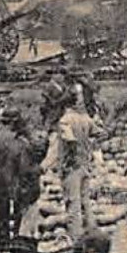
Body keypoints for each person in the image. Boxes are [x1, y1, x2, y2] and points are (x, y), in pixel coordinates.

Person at [42, 90, 97, 238]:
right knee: (85, 202)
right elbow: (100, 133)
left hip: (72, 168)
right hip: (85, 165)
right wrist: (88, 150)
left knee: (73, 205)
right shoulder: (85, 118)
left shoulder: (65, 121)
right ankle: (92, 234)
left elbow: (70, 140)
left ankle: (77, 240)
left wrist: (67, 162)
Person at [0, 107, 38, 248]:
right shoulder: (21, 140)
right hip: (17, 178)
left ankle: (2, 241)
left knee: (1, 210)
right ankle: (16, 238)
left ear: (2, 122)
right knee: (17, 210)